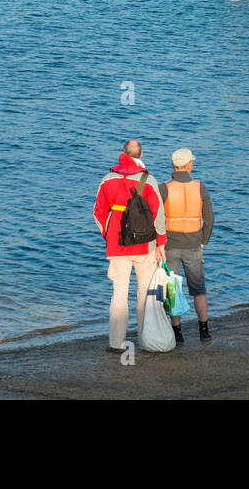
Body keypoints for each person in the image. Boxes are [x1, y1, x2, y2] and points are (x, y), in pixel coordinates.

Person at [93, 139, 166, 352]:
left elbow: (98, 212)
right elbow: (158, 216)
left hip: (117, 244)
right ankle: (146, 340)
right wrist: (161, 243)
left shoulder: (108, 179)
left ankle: (116, 343)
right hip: (145, 244)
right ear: (141, 155)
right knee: (144, 293)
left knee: (119, 292)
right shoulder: (148, 180)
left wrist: (107, 234)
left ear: (122, 153)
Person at [158, 148, 214, 344]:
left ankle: (177, 332)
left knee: (172, 289)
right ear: (188, 165)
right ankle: (204, 329)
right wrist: (203, 240)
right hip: (193, 244)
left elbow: (156, 219)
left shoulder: (163, 187)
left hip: (170, 245)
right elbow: (209, 218)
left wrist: (158, 244)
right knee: (199, 289)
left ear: (174, 166)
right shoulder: (200, 187)